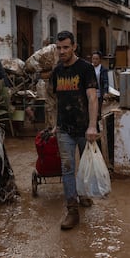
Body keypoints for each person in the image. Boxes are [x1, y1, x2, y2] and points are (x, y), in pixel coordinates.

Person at [50, 30, 98, 230]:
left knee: (86, 164)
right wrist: (54, 123)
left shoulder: (85, 68)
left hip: (84, 128)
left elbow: (92, 98)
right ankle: (72, 210)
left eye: (66, 47)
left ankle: (84, 194)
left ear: (74, 47)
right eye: (59, 48)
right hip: (64, 129)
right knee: (67, 168)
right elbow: (54, 101)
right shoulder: (56, 71)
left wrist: (93, 125)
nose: (62, 51)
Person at [91, 51, 109, 120]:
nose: (94, 61)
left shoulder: (103, 70)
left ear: (100, 60)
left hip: (99, 93)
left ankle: (97, 126)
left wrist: (105, 92)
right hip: (90, 93)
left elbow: (105, 81)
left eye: (96, 59)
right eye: (93, 59)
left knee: (98, 111)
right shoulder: (89, 68)